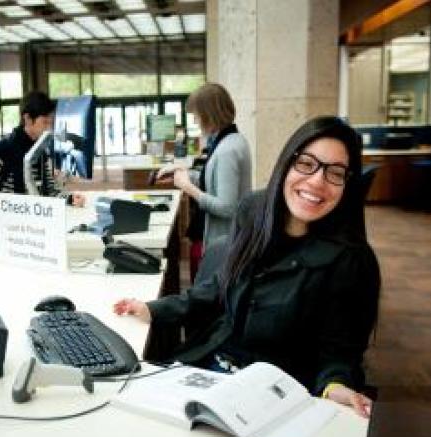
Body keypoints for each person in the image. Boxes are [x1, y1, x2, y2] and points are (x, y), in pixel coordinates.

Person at [114, 116, 380, 418]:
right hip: (210, 371)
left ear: (348, 184)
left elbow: (338, 352)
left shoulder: (351, 260)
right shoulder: (254, 212)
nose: (317, 181)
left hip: (274, 398)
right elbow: (218, 285)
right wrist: (154, 309)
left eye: (335, 173)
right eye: (307, 164)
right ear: (286, 164)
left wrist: (335, 386)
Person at [166, 83, 252, 280]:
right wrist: (181, 172)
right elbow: (211, 180)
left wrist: (187, 187)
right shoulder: (231, 140)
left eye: (196, 115)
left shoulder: (227, 151)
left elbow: (226, 207)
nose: (195, 121)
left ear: (209, 114)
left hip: (219, 241)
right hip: (221, 237)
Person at [0, 91, 85, 228]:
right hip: (5, 231)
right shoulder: (0, 151)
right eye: (44, 122)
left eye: (51, 123)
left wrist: (70, 198)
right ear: (27, 119)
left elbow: (49, 192)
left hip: (34, 228)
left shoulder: (42, 152)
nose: (49, 128)